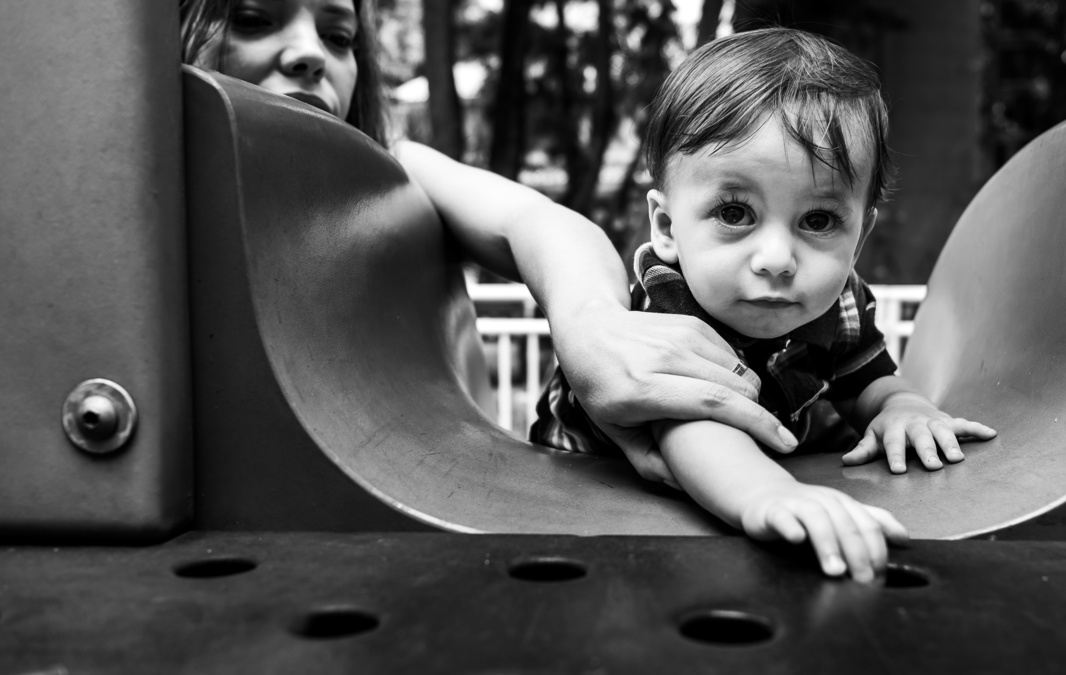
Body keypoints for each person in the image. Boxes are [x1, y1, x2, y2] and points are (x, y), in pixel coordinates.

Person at [177, 0, 809, 488]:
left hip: (416, 472)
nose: (311, 53)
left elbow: (536, 222)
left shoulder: (390, 165)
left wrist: (590, 321)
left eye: (339, 35)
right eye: (254, 19)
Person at [532, 28, 997, 583]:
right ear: (667, 227)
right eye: (734, 213)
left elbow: (870, 381)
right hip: (581, 494)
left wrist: (903, 409)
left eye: (819, 220)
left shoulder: (838, 303)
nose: (777, 259)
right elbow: (692, 430)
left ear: (860, 235)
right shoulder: (667, 307)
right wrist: (771, 494)